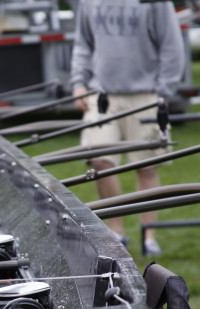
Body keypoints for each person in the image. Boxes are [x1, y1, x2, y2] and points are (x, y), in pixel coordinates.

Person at [70, 0, 185, 256]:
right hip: (101, 93)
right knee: (99, 161)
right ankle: (116, 234)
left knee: (145, 165)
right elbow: (83, 44)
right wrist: (79, 82)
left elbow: (171, 44)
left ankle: (149, 236)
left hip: (145, 92)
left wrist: (164, 90)